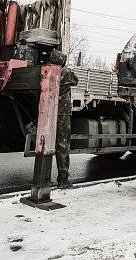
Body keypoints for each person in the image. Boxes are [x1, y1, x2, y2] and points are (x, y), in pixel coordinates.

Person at [54, 54, 77, 189]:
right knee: (63, 145)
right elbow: (76, 81)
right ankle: (63, 179)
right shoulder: (66, 72)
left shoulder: (47, 70)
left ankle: (43, 177)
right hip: (63, 113)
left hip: (49, 111)